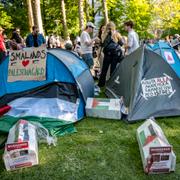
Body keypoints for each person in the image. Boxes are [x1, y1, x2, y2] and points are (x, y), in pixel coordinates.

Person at [98, 22, 124, 87]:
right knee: (113, 70)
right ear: (114, 27)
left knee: (104, 69)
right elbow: (121, 43)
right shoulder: (117, 34)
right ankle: (111, 85)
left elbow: (103, 44)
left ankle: (101, 84)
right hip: (115, 54)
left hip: (107, 54)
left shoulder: (104, 34)